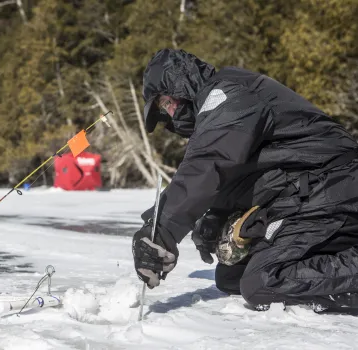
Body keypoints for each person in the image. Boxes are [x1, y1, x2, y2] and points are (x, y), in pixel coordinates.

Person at [131, 48, 358, 312]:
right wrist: (217, 216)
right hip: (310, 195)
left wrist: (160, 228)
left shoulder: (229, 94)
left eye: (166, 102)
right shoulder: (220, 110)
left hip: (337, 187)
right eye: (163, 109)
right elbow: (244, 173)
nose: (169, 113)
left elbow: (209, 162)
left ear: (181, 83)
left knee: (264, 280)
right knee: (231, 278)